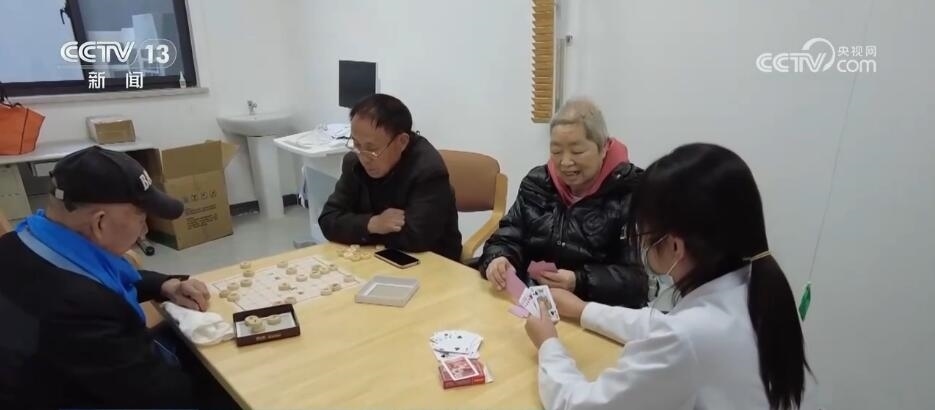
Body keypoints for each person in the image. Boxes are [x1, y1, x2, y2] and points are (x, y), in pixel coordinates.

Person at [524, 143, 815, 409]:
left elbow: (579, 405)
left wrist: (549, 345)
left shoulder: (690, 338)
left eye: (643, 234)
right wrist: (584, 310)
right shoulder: (755, 288)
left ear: (675, 247)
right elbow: (660, 326)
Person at [0, 147, 220, 409]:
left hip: (81, 372)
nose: (145, 230)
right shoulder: (81, 308)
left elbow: (102, 279)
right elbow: (161, 396)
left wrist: (166, 285)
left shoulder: (21, 242)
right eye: (141, 217)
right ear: (100, 223)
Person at [478, 99, 647, 307]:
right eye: (556, 152)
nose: (565, 162)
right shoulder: (537, 183)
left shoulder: (631, 193)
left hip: (595, 312)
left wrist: (579, 281)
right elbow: (507, 237)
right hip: (533, 303)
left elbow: (638, 283)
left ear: (604, 148)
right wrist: (498, 258)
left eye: (577, 152)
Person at [318, 93, 462, 260]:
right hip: (377, 256)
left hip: (431, 262)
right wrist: (372, 224)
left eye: (372, 148)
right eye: (356, 144)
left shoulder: (428, 170)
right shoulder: (354, 162)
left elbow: (417, 238)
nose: (364, 157)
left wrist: (354, 226)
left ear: (402, 142)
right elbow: (328, 219)